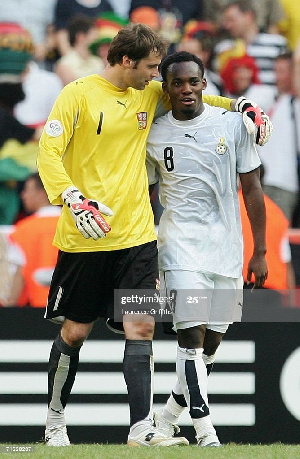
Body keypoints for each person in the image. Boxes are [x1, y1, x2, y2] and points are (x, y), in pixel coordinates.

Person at [37, 23, 271, 447]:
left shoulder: (148, 93)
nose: (155, 76)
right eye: (150, 67)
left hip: (138, 237)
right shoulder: (77, 95)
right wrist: (72, 197)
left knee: (142, 326)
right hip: (86, 236)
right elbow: (48, 153)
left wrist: (243, 105)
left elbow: (200, 96)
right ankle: (55, 421)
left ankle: (141, 429)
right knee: (75, 333)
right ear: (126, 61)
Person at [145, 51, 267, 446]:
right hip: (179, 244)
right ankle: (205, 432)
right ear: (166, 89)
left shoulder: (232, 126)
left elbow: (252, 189)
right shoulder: (154, 134)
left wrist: (260, 250)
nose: (186, 89)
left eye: (192, 82)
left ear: (204, 84)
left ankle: (166, 420)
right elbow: (142, 192)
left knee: (210, 344)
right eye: (177, 83)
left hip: (227, 247)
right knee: (190, 338)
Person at [1, 173, 61, 307]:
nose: (23, 195)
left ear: (42, 193)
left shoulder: (22, 230)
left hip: (35, 310)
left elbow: (18, 274)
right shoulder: (75, 225)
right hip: (74, 308)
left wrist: (9, 308)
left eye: (27, 190)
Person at [215, 0, 287, 86]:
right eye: (226, 21)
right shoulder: (224, 48)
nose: (227, 25)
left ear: (248, 16)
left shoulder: (276, 43)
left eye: (231, 20)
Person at [55, 15, 105, 86]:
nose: (97, 39)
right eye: (94, 35)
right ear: (81, 37)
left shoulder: (98, 62)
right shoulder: (64, 65)